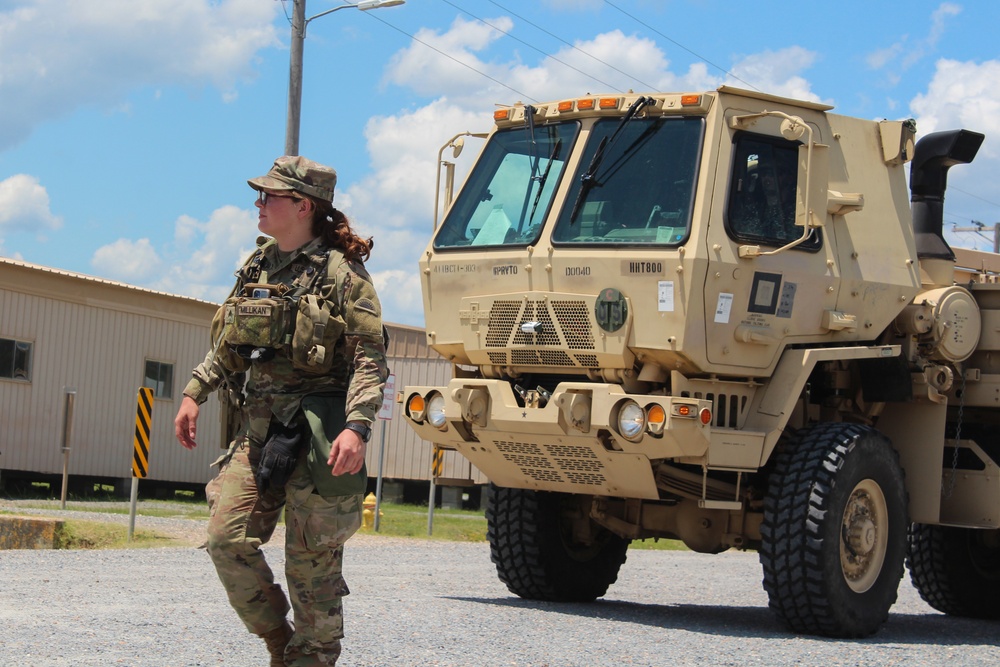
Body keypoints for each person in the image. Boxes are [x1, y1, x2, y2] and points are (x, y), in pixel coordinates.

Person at [174, 155, 388, 667]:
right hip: (261, 431)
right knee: (226, 539)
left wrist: (357, 428)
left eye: (269, 196)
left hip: (319, 436)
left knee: (311, 565)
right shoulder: (256, 266)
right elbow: (230, 341)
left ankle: (311, 656)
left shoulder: (344, 276)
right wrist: (193, 392)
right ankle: (280, 643)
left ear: (302, 206)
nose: (259, 203)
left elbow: (369, 359)